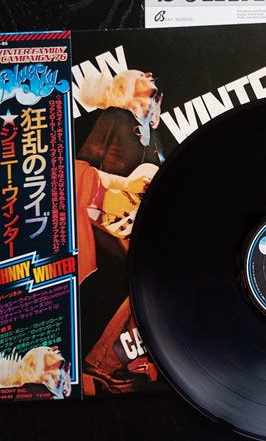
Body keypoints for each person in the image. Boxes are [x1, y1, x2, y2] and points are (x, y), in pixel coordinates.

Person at [75, 69, 166, 395]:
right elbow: (79, 168)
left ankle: (112, 362)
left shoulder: (153, 135)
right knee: (152, 274)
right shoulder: (114, 117)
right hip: (104, 215)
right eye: (140, 74)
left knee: (156, 277)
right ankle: (102, 364)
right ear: (126, 87)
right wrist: (126, 183)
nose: (150, 73)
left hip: (134, 221)